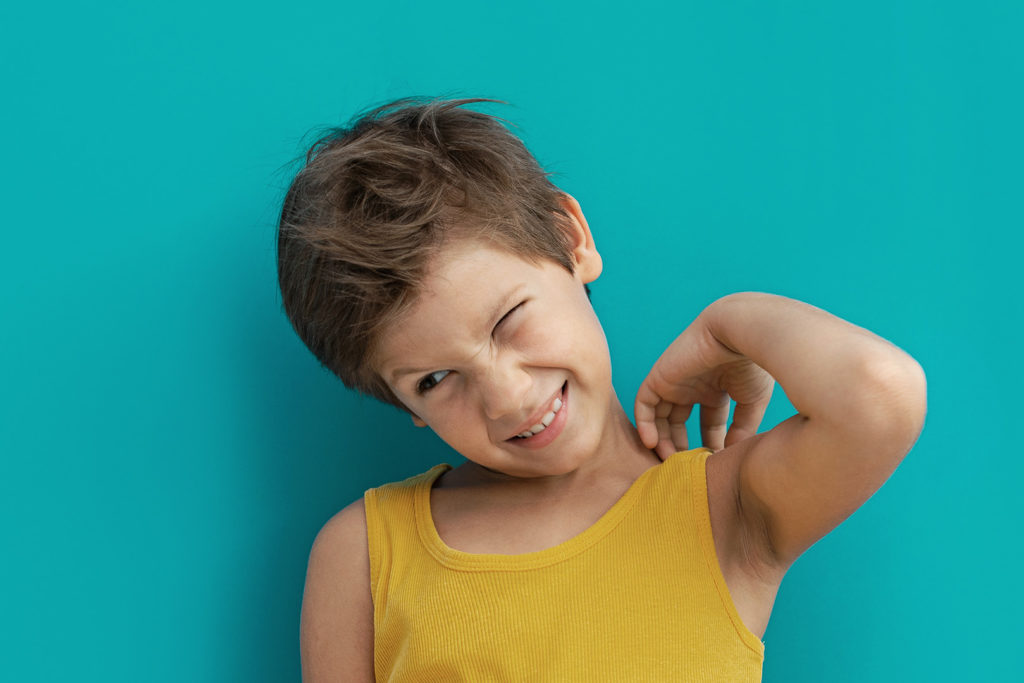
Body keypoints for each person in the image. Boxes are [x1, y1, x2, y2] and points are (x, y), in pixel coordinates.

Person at [277, 97, 927, 682]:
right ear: (403, 404)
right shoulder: (362, 552)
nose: (505, 396)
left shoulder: (722, 511)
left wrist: (732, 322)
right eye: (436, 379)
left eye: (508, 320)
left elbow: (880, 392)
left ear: (571, 239)